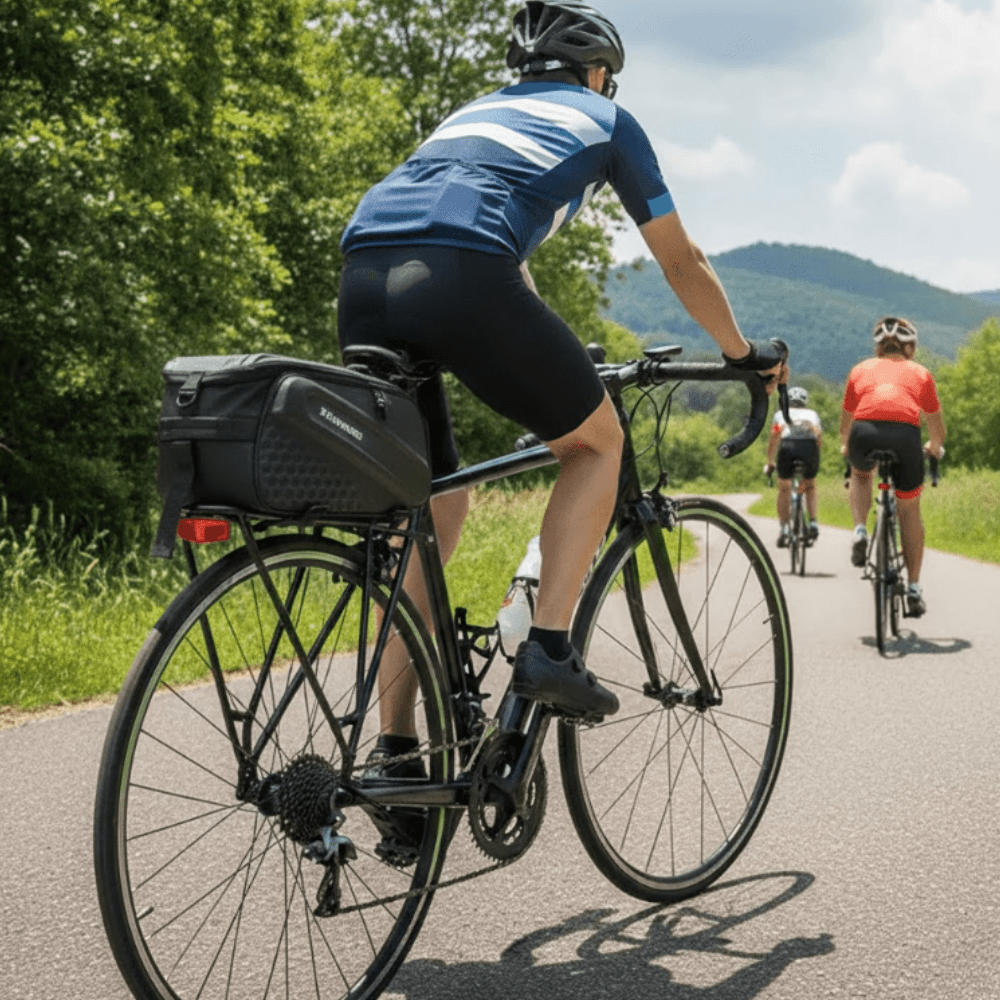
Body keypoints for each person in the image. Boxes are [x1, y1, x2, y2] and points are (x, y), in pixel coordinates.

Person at [338, 1, 784, 794]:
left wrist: (552, 344)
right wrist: (743, 356)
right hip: (464, 273)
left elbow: (492, 240)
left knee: (430, 512)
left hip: (365, 274)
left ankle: (397, 758)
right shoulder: (608, 121)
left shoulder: (471, 115)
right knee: (596, 445)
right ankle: (548, 649)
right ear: (600, 72)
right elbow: (682, 261)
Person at [839, 317, 946, 616]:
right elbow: (937, 430)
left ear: (878, 347)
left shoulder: (860, 369)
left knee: (861, 474)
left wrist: (847, 446)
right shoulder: (921, 373)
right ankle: (913, 588)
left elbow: (845, 425)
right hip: (905, 437)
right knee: (909, 509)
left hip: (863, 433)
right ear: (910, 348)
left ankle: (860, 529)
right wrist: (934, 447)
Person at [764, 386, 823, 547]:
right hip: (809, 449)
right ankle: (813, 523)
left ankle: (784, 528)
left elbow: (774, 435)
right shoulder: (812, 415)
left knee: (784, 488)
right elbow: (818, 435)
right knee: (809, 486)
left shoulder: (779, 415)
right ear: (805, 402)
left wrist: (770, 460)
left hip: (787, 449)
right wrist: (815, 456)